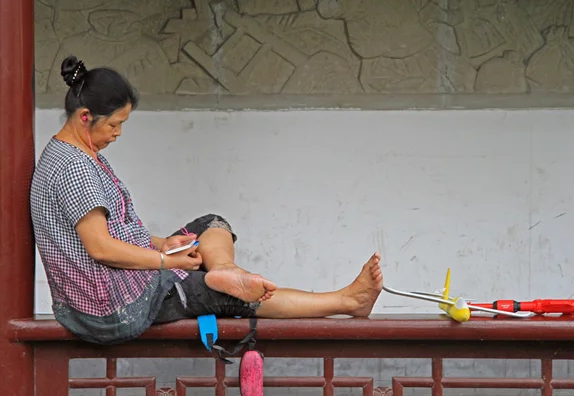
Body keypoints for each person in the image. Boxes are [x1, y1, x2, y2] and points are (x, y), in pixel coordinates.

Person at [30, 56, 383, 345]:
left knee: (212, 225)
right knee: (238, 298)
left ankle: (224, 270)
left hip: (114, 283)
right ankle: (348, 300)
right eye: (115, 125)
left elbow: (115, 230)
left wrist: (165, 244)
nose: (119, 133)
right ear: (85, 117)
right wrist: (166, 262)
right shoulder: (74, 168)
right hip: (112, 303)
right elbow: (102, 248)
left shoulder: (73, 153)